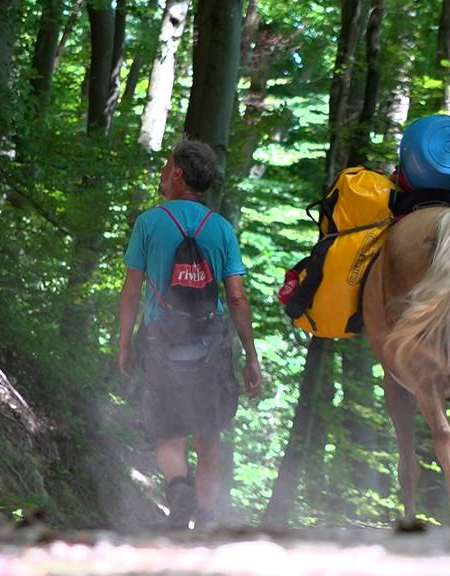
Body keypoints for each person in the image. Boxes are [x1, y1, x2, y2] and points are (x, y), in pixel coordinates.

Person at [117, 140, 262, 529]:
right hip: (210, 346)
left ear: (179, 173)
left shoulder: (149, 222)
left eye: (167, 166)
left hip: (161, 342)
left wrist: (125, 343)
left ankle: (178, 491)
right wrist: (251, 355)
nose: (164, 174)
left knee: (168, 433)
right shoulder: (221, 229)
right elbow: (236, 296)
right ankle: (207, 517)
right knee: (208, 433)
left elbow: (132, 290)